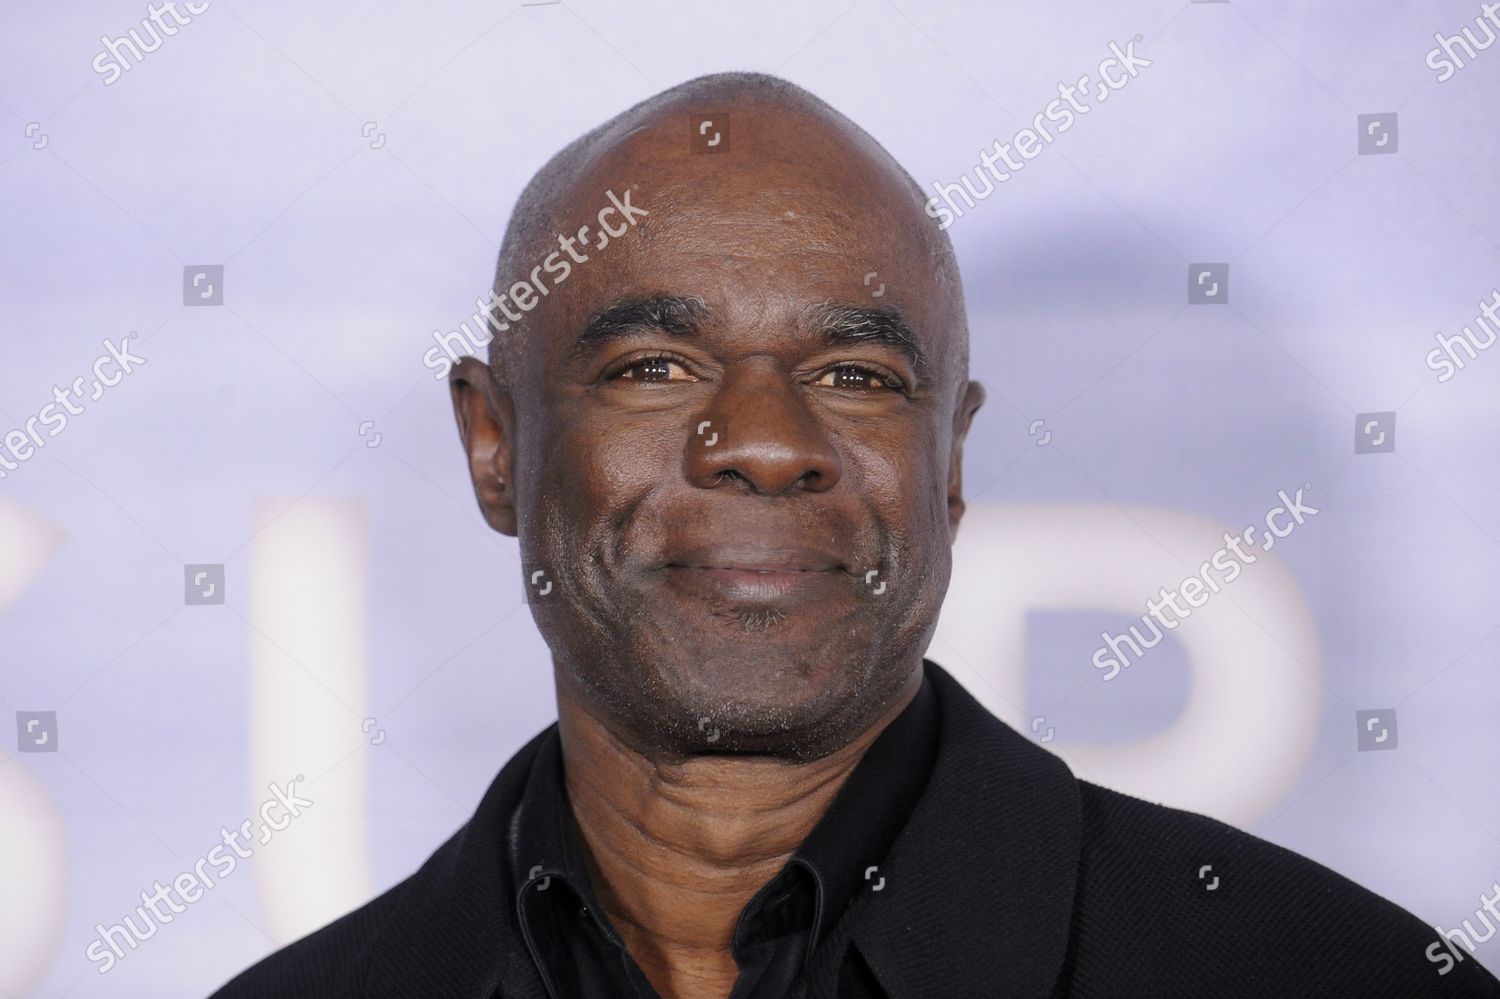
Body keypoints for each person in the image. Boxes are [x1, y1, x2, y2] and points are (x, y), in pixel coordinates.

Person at [211, 72, 1500, 999]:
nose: (766, 443)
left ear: (951, 465)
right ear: (494, 446)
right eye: (655, 367)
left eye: (857, 376)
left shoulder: (1328, 975)